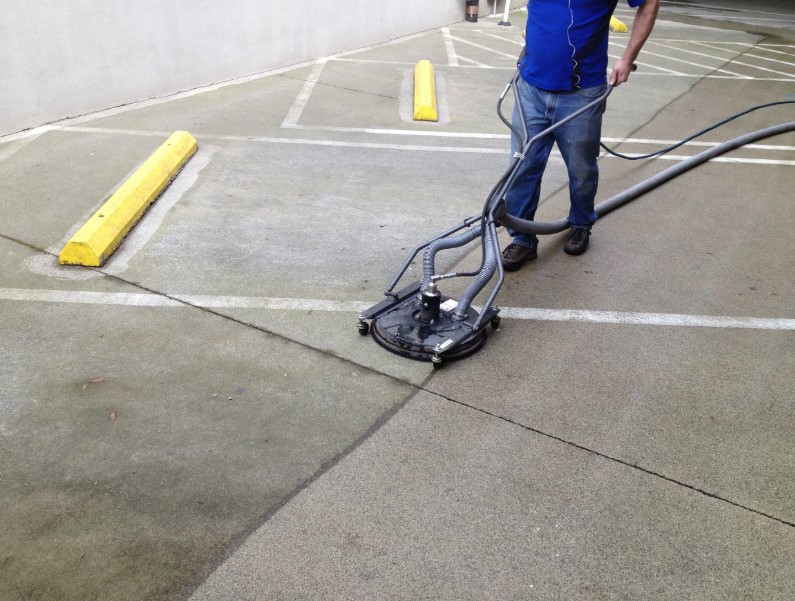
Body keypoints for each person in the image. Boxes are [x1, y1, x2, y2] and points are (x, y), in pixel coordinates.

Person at [501, 0, 659, 271]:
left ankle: (581, 223)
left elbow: (649, 2)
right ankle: (523, 238)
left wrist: (627, 58)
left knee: (581, 169)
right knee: (521, 168)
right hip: (530, 87)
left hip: (581, 92)